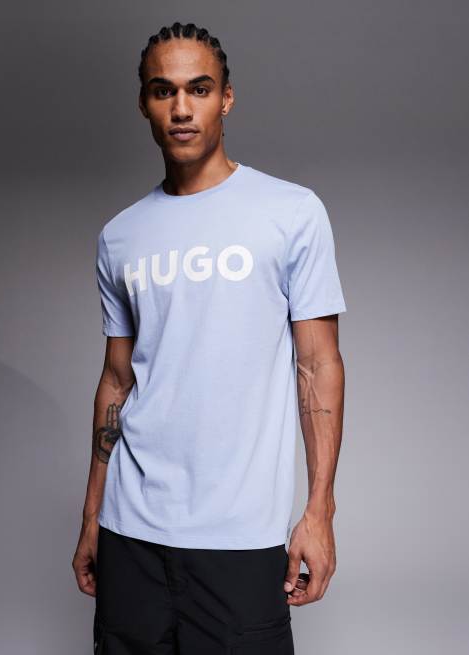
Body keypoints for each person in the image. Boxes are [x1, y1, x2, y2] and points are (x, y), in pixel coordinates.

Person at [72, 21, 347, 655]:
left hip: (240, 538)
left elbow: (318, 364)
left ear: (226, 98)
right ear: (144, 103)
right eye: (163, 91)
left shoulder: (291, 212)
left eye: (198, 89)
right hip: (130, 533)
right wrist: (91, 517)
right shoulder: (120, 236)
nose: (181, 108)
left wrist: (320, 510)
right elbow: (116, 379)